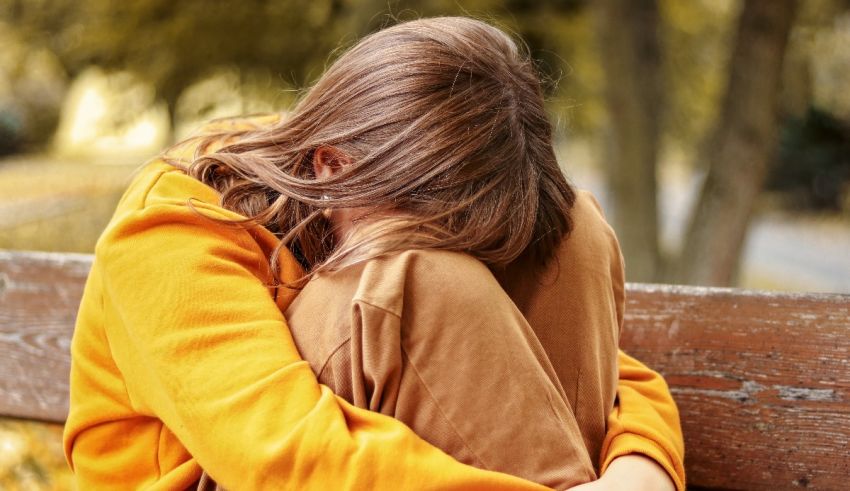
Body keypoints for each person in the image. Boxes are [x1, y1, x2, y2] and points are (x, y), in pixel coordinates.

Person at [63, 16, 685, 491]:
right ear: (331, 167)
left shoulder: (370, 168)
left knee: (571, 230)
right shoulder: (172, 230)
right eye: (449, 241)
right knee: (418, 279)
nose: (463, 260)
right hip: (247, 474)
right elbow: (283, 454)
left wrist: (641, 467)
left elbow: (616, 373)